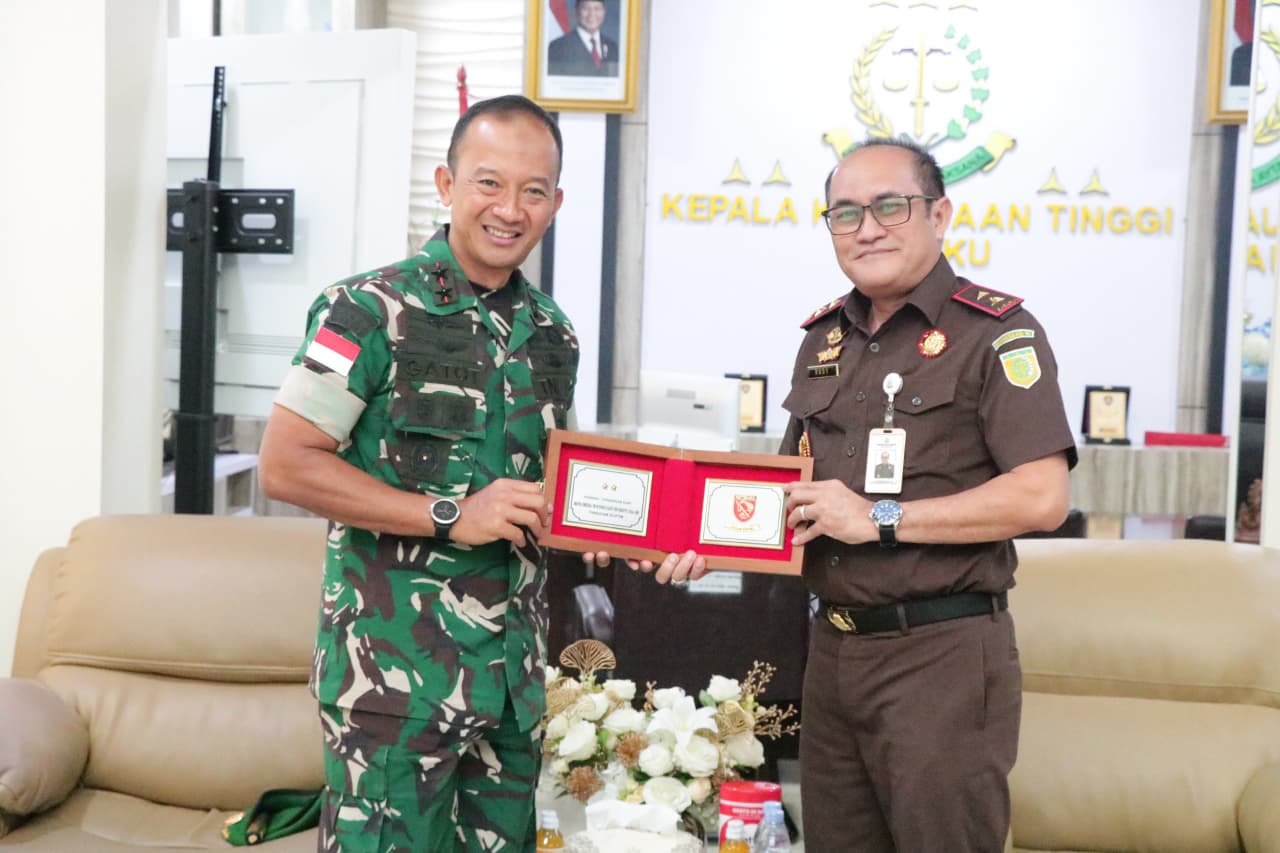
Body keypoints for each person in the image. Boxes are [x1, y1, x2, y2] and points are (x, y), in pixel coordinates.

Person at [258, 94, 578, 853]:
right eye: (489, 183)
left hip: (510, 691)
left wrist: (625, 532)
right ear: (446, 184)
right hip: (393, 690)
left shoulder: (553, 334)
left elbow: (545, 491)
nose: (510, 209)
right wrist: (451, 514)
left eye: (533, 191)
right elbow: (286, 464)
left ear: (556, 204)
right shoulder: (365, 309)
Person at [780, 138, 1076, 851]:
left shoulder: (997, 333)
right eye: (845, 213)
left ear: (939, 216)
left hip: (941, 657)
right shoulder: (822, 339)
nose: (866, 229)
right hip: (832, 654)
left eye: (890, 207)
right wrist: (691, 540)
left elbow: (1043, 497)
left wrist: (880, 517)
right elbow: (785, 493)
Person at [547, 0, 619, 77]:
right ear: (576, 11)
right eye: (586, 8)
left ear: (603, 12)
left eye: (597, 8)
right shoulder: (558, 47)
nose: (591, 14)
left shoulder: (612, 47)